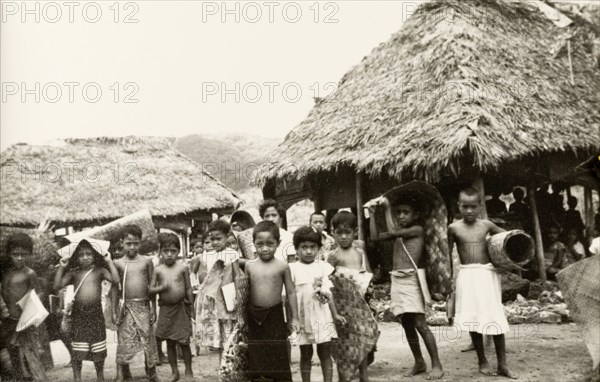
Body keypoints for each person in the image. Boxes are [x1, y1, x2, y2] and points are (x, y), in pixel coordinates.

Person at [368, 195, 444, 380]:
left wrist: (386, 208)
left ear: (415, 214)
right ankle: (419, 362)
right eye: (398, 212)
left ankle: (437, 365)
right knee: (407, 323)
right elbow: (376, 237)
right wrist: (371, 215)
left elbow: (392, 232)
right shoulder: (402, 232)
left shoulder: (416, 229)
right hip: (398, 279)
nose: (401, 216)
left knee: (420, 323)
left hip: (411, 279)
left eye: (405, 212)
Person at [448, 187, 516, 379]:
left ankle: (503, 364)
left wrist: (510, 247)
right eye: (465, 206)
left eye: (473, 207)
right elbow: (445, 254)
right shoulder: (453, 228)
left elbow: (508, 239)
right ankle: (482, 360)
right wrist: (446, 280)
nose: (469, 211)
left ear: (480, 206)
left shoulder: (486, 225)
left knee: (495, 318)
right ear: (459, 206)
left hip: (486, 275)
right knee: (472, 319)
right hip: (467, 276)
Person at [53, 239, 119, 382]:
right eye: (81, 254)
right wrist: (62, 267)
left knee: (98, 349)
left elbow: (116, 280)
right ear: (76, 257)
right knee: (78, 350)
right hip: (79, 317)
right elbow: (57, 286)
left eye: (89, 254)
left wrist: (109, 261)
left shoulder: (100, 271)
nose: (85, 257)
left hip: (96, 316)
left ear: (95, 256)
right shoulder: (73, 273)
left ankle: (100, 377)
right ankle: (77, 378)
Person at [244, 221, 299, 382]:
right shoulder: (249, 266)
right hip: (253, 316)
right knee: (256, 353)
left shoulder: (282, 266)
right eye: (260, 244)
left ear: (278, 244)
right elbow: (244, 293)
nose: (265, 248)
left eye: (270, 244)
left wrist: (294, 317)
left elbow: (291, 292)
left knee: (277, 352)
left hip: (275, 314)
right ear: (253, 244)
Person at [289, 226, 344, 382]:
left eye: (312, 247)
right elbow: (290, 295)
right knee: (305, 353)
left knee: (325, 352)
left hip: (322, 315)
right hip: (302, 317)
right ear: (296, 249)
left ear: (319, 249)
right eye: (304, 247)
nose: (308, 251)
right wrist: (292, 319)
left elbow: (329, 292)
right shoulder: (292, 268)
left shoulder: (322, 266)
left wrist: (335, 314)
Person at [327, 211, 373, 382]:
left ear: (355, 232)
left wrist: (363, 283)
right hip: (341, 304)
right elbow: (327, 281)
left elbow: (367, 272)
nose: (344, 237)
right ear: (333, 233)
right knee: (343, 342)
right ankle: (343, 377)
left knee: (361, 340)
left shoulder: (360, 252)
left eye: (348, 232)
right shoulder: (333, 256)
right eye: (339, 232)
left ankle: (364, 376)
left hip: (359, 302)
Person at [113, 225, 159, 382]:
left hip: (144, 306)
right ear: (122, 243)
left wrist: (154, 308)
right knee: (124, 340)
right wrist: (113, 309)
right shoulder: (118, 263)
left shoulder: (146, 262)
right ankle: (123, 371)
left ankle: (151, 371)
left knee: (147, 340)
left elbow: (151, 287)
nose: (132, 247)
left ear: (140, 243)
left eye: (135, 243)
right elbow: (114, 289)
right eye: (128, 243)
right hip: (125, 307)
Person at [0, 233, 47, 382]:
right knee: (12, 351)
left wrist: (29, 303)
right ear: (9, 254)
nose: (20, 258)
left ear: (29, 255)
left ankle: (35, 378)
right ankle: (20, 378)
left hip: (24, 320)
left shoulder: (29, 273)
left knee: (30, 352)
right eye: (16, 254)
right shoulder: (4, 273)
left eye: (23, 255)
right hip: (8, 320)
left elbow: (40, 292)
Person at [194, 220, 240, 361]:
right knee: (218, 338)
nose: (215, 242)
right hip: (211, 300)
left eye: (218, 238)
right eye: (212, 239)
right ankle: (222, 368)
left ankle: (230, 366)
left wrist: (238, 295)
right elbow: (205, 277)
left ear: (227, 237)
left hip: (226, 298)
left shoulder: (232, 254)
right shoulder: (207, 255)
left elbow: (237, 275)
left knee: (228, 335)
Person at [150, 233, 194, 382]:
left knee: (184, 342)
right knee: (169, 342)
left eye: (173, 251)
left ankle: (189, 371)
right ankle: (175, 372)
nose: (169, 254)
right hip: (165, 310)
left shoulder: (182, 268)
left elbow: (188, 288)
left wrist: (191, 305)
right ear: (160, 252)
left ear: (178, 252)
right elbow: (150, 290)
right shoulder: (158, 270)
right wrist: (162, 287)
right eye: (166, 251)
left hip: (181, 308)